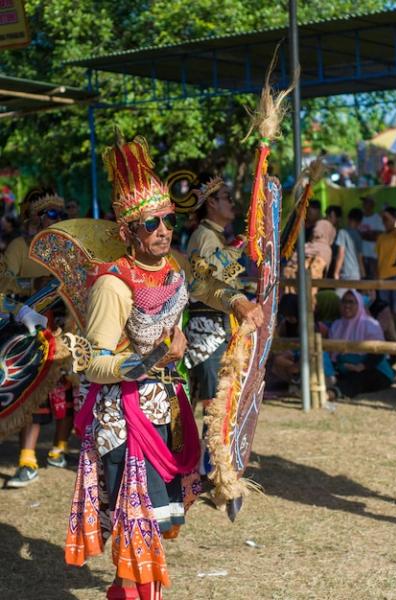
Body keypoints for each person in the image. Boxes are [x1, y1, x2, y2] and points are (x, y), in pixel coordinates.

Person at [64, 134, 263, 600]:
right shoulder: (112, 285)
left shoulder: (174, 265)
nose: (162, 229)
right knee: (138, 519)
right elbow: (94, 363)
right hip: (123, 416)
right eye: (150, 223)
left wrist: (238, 302)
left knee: (155, 517)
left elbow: (205, 285)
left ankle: (137, 590)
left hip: (164, 409)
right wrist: (153, 358)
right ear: (128, 231)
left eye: (167, 220)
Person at [4, 188, 74, 488]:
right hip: (32, 328)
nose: (60, 220)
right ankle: (27, 459)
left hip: (65, 325)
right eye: (53, 215)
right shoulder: (20, 246)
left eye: (63, 215)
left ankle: (59, 448)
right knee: (33, 392)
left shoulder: (68, 248)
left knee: (67, 391)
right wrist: (34, 284)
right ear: (37, 218)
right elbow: (4, 281)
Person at [185, 174, 246, 474]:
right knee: (212, 403)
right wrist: (236, 248)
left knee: (220, 401)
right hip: (206, 329)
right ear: (211, 203)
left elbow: (224, 276)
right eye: (227, 198)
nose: (232, 204)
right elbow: (201, 283)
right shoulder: (203, 236)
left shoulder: (215, 236)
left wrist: (237, 251)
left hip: (220, 326)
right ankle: (208, 468)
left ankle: (210, 465)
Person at [327, 290, 395, 399]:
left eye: (351, 302)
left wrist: (361, 366)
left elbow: (379, 352)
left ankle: (332, 394)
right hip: (347, 368)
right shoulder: (337, 325)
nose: (347, 306)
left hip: (373, 368)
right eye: (344, 302)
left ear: (359, 305)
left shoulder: (370, 324)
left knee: (359, 378)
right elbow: (333, 355)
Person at [376, 206, 396, 335]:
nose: (384, 222)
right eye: (383, 219)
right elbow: (377, 259)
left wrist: (386, 212)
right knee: (385, 312)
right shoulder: (381, 237)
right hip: (382, 279)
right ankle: (392, 338)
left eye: (386, 219)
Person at [333, 208, 365, 282]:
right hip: (356, 274)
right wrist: (363, 274)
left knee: (338, 294)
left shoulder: (342, 232)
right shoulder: (358, 236)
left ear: (348, 219)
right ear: (360, 222)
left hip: (346, 273)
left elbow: (341, 254)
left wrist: (336, 272)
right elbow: (360, 258)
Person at [358, 196, 385, 279]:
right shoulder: (359, 217)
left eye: (367, 202)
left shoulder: (377, 218)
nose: (364, 204)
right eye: (364, 202)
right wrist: (369, 234)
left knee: (373, 279)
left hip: (373, 255)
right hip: (361, 255)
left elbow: (379, 236)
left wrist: (363, 235)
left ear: (372, 205)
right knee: (363, 280)